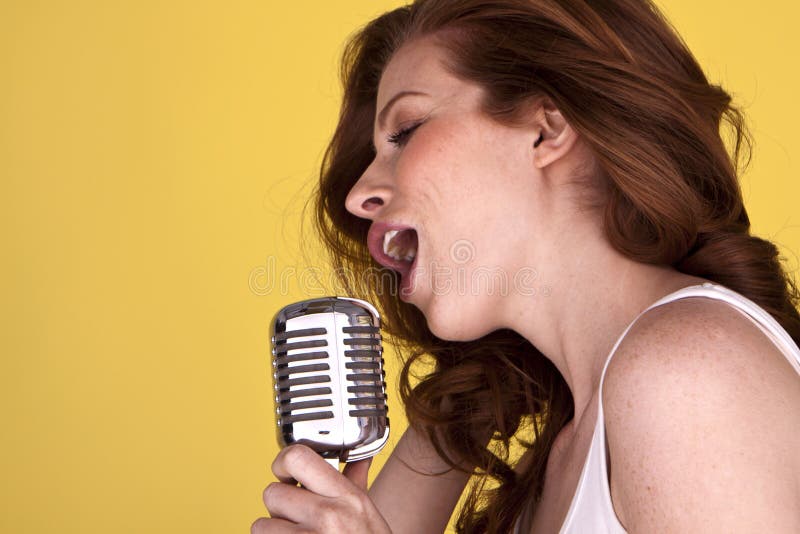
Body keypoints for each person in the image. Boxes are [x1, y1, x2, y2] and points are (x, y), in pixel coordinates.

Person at [252, 0, 800, 532]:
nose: (359, 196)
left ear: (546, 129)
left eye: (405, 131)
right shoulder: (568, 439)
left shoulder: (687, 376)